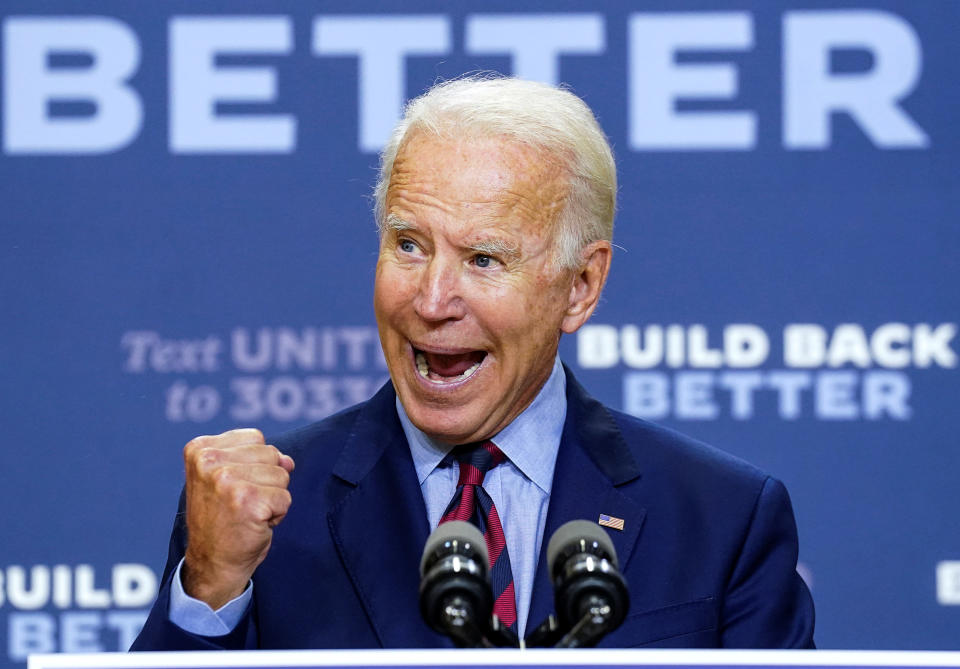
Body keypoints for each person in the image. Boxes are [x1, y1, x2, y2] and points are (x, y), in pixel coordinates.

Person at [131, 76, 815, 651]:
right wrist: (210, 588)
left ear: (581, 286)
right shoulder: (262, 508)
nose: (431, 299)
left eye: (484, 258)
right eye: (408, 244)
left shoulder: (722, 519)